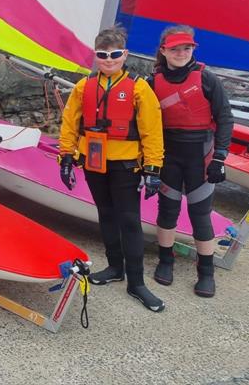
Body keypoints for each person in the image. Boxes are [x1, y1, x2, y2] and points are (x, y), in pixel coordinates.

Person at [58, 26, 166, 312]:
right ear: (96, 56)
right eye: (103, 55)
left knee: (129, 220)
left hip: (125, 163)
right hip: (94, 161)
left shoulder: (139, 87)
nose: (109, 60)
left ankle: (137, 283)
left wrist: (153, 169)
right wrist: (66, 156)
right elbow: (70, 123)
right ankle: (115, 267)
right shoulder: (84, 86)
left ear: (124, 54)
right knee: (105, 214)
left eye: (115, 55)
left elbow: (152, 131)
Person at [147, 25, 232, 298]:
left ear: (193, 49)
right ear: (164, 51)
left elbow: (225, 119)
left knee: (200, 216)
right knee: (167, 212)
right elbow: (145, 123)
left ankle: (206, 273)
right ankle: (166, 261)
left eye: (187, 48)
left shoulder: (208, 79)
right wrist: (147, 163)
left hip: (202, 157)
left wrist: (219, 157)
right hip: (168, 156)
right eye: (175, 49)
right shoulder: (152, 82)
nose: (181, 53)